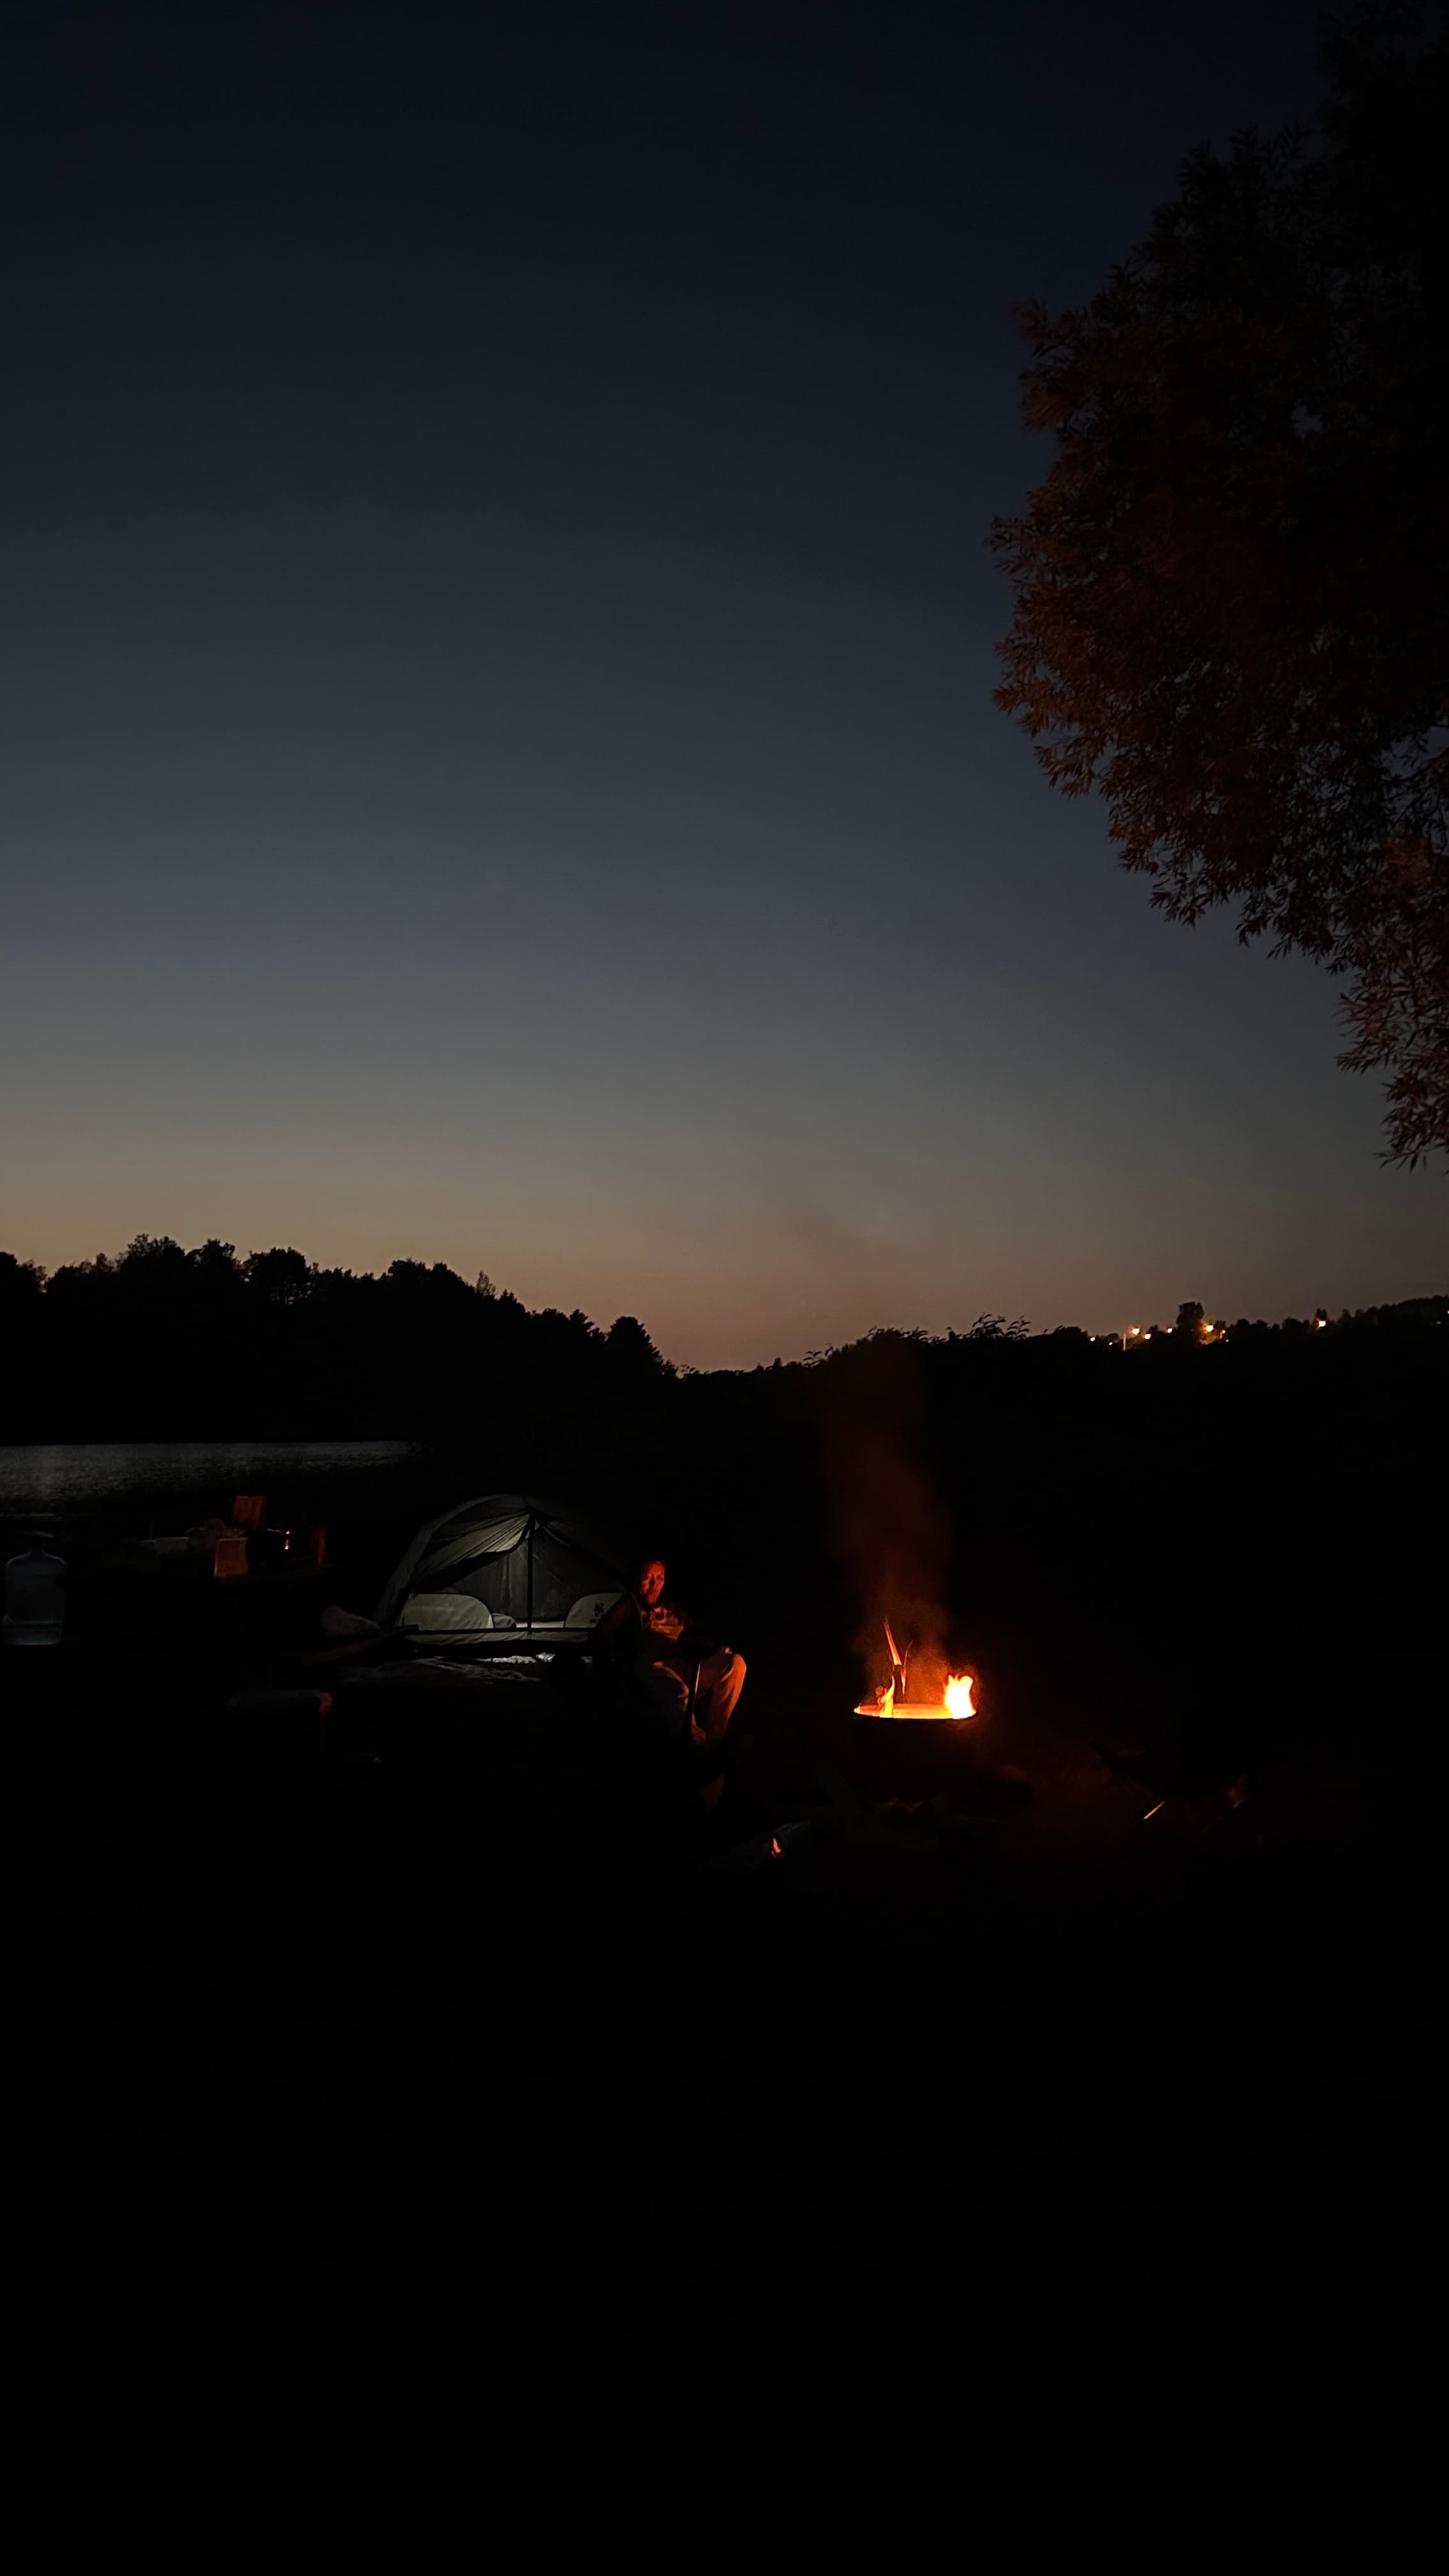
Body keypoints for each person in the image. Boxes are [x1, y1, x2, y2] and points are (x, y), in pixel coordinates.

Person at [592, 1554, 746, 1747]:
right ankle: (695, 1744)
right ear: (636, 1579)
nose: (654, 1584)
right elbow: (600, 1637)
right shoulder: (629, 1605)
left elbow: (696, 1636)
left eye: (660, 1578)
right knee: (677, 1691)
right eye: (648, 1578)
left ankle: (715, 1738)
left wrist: (718, 1649)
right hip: (653, 1666)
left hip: (685, 1662)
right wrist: (611, 1670)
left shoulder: (674, 1610)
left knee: (734, 1663)